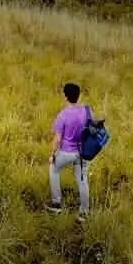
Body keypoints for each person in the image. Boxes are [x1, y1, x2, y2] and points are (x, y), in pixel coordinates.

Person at [46, 81, 90, 219]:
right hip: (83, 152)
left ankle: (56, 204)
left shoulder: (62, 115)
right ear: (79, 96)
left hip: (66, 152)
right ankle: (84, 213)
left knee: (54, 169)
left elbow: (58, 139)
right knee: (82, 180)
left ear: (65, 97)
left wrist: (52, 154)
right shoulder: (87, 111)